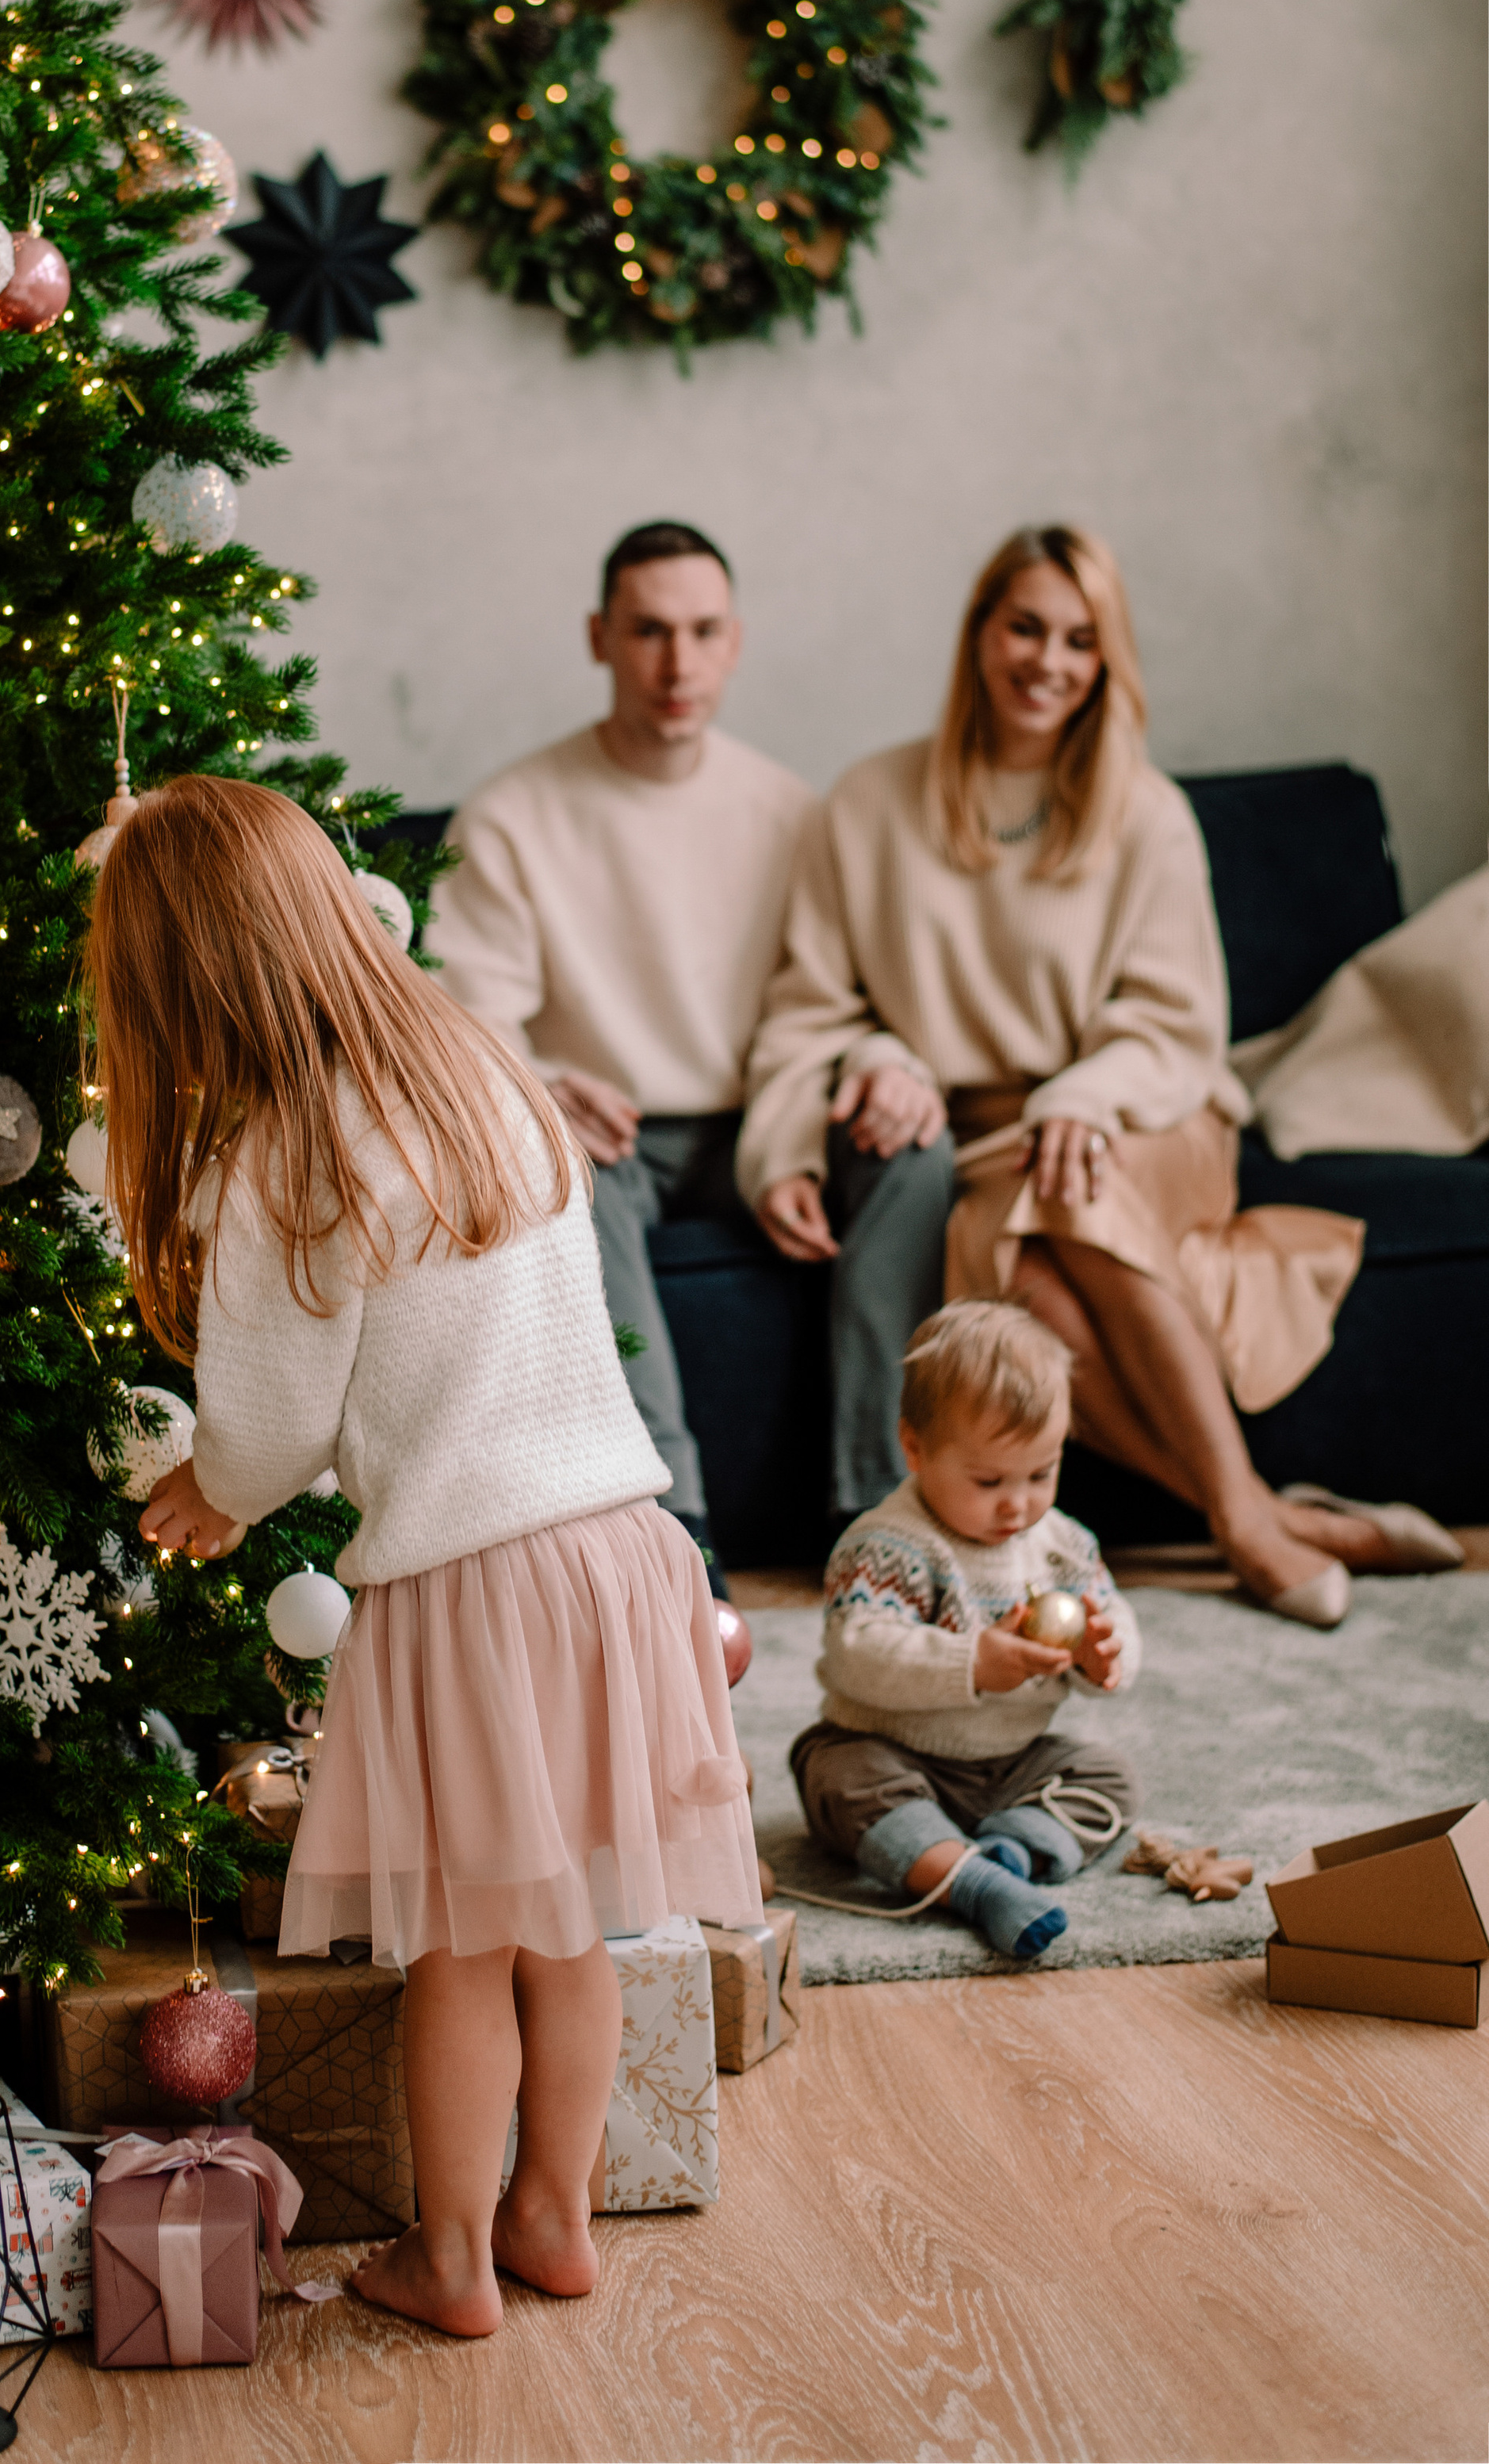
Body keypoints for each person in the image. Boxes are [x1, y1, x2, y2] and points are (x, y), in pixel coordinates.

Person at [89, 774, 760, 2340]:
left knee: (456, 1953)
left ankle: (450, 2257)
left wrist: (213, 1488)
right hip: (614, 1549)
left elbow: (266, 1425)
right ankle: (552, 2217)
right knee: (571, 1928)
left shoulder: (274, 1161)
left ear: (176, 984)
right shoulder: (474, 1067)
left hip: (470, 1588)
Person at [738, 522, 1434, 1629]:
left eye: (1079, 638)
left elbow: (1177, 1025)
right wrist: (868, 1066)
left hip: (1146, 1110)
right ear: (980, 632)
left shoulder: (1145, 812)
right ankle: (1257, 1508)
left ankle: (1249, 1527)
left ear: (1107, 660)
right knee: (1032, 1276)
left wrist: (1084, 1093)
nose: (1047, 661)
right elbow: (813, 1006)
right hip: (984, 1146)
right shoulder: (867, 803)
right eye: (1025, 626)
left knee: (1073, 1182)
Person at [432, 519, 954, 1568]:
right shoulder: (510, 814)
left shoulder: (791, 809)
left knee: (918, 1152)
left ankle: (875, 1507)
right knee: (560, 1166)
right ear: (600, 638)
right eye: (649, 631)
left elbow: (841, 997)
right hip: (611, 1133)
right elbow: (457, 1018)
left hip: (773, 1115)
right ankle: (676, 1528)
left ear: (735, 641)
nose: (678, 664)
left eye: (702, 631)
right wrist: (535, 1084)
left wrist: (884, 1064)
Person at [790, 1301, 1139, 1962]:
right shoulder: (888, 1545)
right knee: (834, 1773)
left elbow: (1110, 1614)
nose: (1019, 1503)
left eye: (1042, 1473)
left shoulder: (1062, 1545)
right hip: (894, 1748)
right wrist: (972, 1663)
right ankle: (975, 1885)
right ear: (915, 1448)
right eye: (989, 1480)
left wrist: (1103, 1655)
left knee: (1108, 1774)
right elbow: (856, 1655)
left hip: (1012, 1762)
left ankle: (1013, 1848)